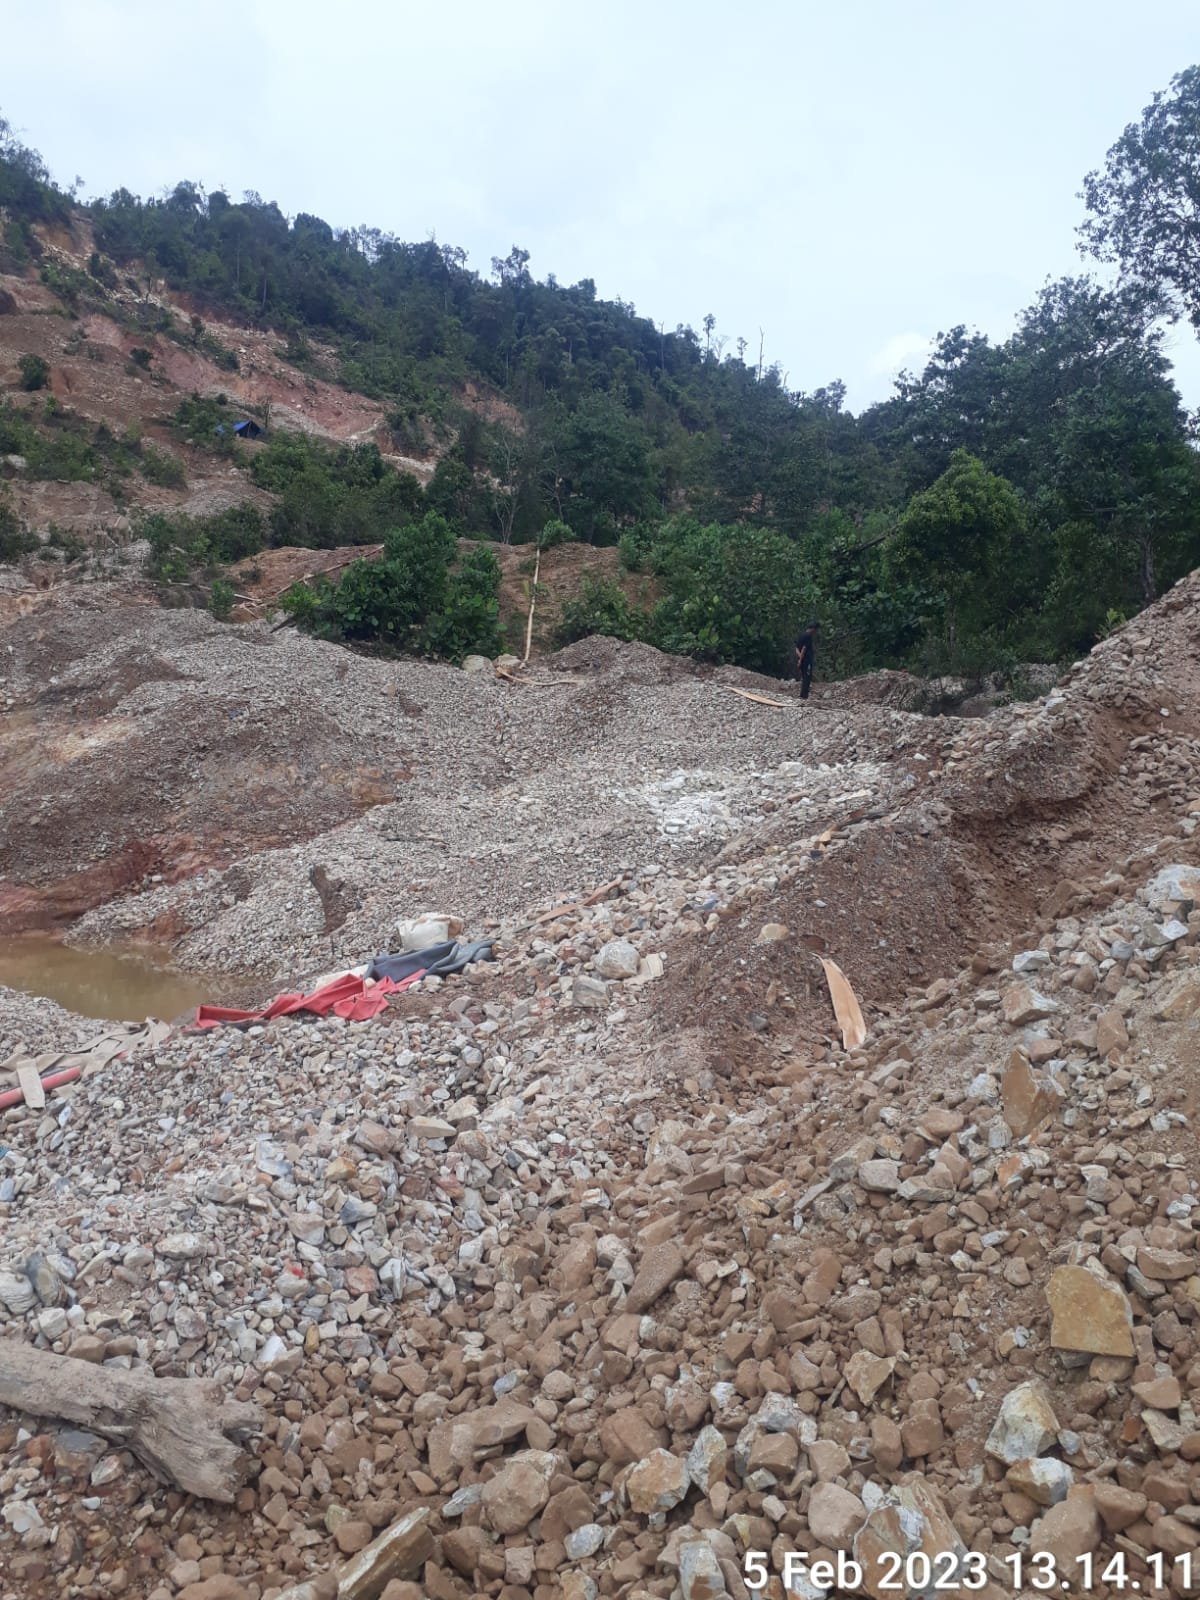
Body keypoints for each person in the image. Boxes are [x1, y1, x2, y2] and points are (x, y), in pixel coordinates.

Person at [794, 621, 819, 699]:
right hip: (807, 660)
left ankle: (803, 694)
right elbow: (804, 648)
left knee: (804, 676)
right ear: (813, 629)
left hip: (802, 659)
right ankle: (804, 695)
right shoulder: (808, 636)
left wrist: (799, 658)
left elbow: (797, 648)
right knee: (807, 677)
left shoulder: (801, 635)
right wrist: (801, 659)